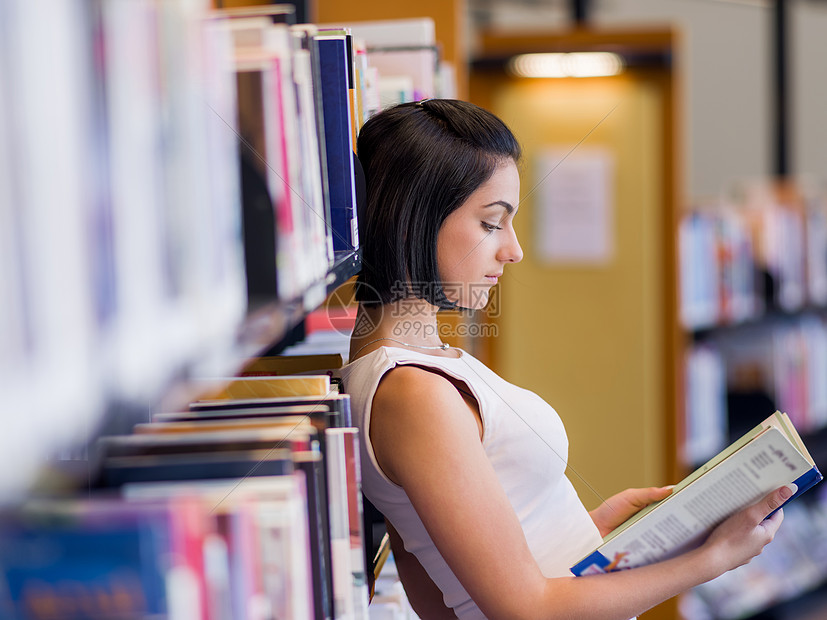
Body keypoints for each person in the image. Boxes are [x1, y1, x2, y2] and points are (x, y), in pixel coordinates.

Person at [339, 99, 791, 620]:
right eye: (491, 223)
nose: (513, 250)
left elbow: (442, 579)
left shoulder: (415, 367)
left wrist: (589, 531)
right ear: (410, 222)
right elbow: (526, 609)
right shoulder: (412, 392)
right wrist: (711, 560)